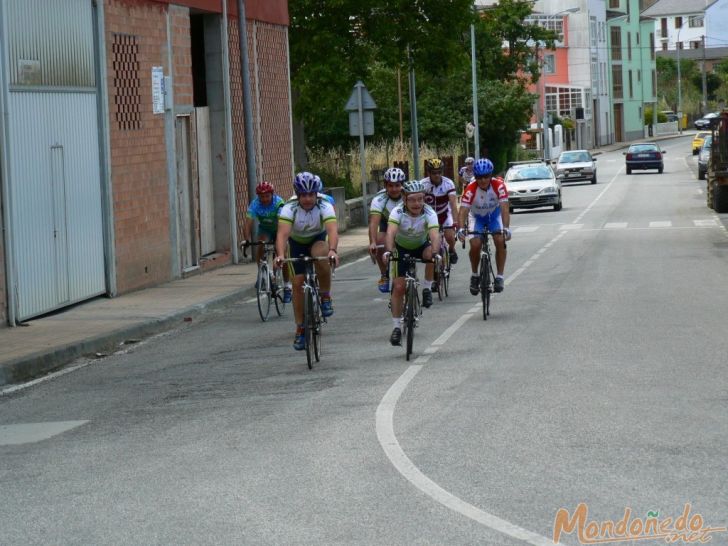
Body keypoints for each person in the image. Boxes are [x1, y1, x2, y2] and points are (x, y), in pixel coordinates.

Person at [275, 172, 340, 351]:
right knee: (297, 283)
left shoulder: (324, 205)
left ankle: (325, 295)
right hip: (296, 243)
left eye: (311, 194)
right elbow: (282, 234)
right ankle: (300, 328)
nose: (307, 199)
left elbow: (333, 231)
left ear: (316, 194)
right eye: (303, 195)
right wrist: (280, 254)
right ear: (298, 194)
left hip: (317, 239)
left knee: (322, 254)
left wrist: (333, 250)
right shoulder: (289, 207)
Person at [383, 180, 440, 346]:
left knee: (432, 254)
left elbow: (435, 235)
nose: (417, 203)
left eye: (420, 199)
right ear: (404, 199)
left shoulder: (429, 212)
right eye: (413, 199)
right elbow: (390, 233)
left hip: (421, 246)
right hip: (401, 248)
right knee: (399, 287)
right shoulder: (397, 212)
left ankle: (427, 288)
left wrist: (436, 253)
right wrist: (388, 251)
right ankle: (396, 327)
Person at [456, 158, 511, 295]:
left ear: (490, 175)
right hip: (476, 217)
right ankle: (475, 275)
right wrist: (461, 229)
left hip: (494, 216)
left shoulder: (499, 185)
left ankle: (499, 276)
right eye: (479, 177)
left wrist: (506, 228)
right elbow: (463, 211)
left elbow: (504, 208)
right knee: (475, 244)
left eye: (486, 176)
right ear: (475, 176)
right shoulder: (470, 188)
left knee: (500, 240)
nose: (483, 180)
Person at [243, 181, 291, 302]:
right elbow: (248, 222)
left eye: (267, 196)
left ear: (272, 194)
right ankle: (263, 274)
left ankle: (287, 286)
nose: (264, 199)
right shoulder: (255, 204)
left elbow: (282, 224)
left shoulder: (278, 203)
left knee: (282, 255)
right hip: (265, 229)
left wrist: (280, 241)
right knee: (260, 244)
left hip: (278, 228)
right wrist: (246, 240)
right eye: (261, 197)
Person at [368, 167, 405, 293]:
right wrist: (372, 242)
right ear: (385, 185)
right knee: (379, 242)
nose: (394, 189)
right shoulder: (379, 199)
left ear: (402, 185)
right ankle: (384, 274)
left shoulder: (408, 196)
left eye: (397, 185)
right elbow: (374, 223)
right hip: (387, 225)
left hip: (405, 227)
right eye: (390, 186)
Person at [420, 158, 459, 264]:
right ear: (428, 173)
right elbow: (418, 203)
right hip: (429, 215)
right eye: (433, 173)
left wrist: (455, 222)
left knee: (450, 236)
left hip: (444, 213)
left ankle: (451, 249)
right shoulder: (423, 184)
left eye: (439, 172)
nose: (436, 175)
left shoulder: (449, 183)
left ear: (442, 172)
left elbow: (453, 205)